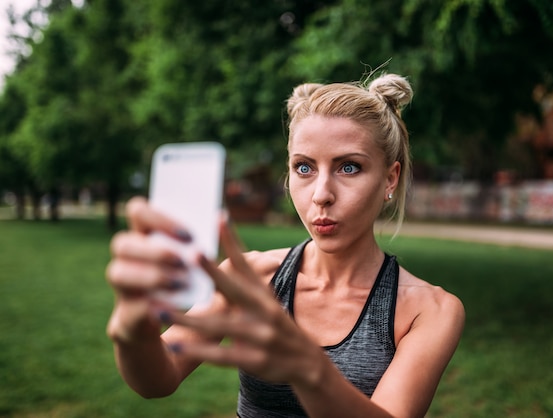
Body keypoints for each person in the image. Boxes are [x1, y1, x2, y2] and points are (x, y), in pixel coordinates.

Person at [106, 73, 465, 418]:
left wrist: (309, 369)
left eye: (349, 168)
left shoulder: (430, 310)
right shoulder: (250, 277)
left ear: (390, 177)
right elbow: (158, 378)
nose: (321, 195)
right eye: (304, 168)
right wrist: (132, 331)